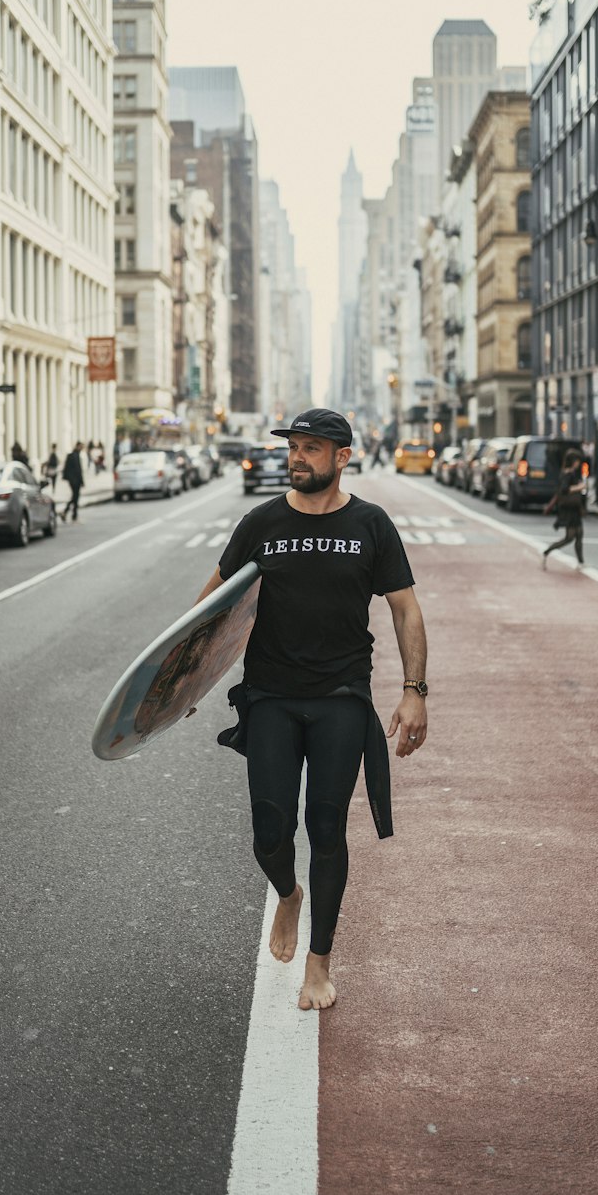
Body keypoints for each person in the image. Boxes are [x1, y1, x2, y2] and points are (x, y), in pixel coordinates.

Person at [195, 406, 428, 1012]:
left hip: (340, 699)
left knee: (326, 829)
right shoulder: (262, 522)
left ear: (342, 457)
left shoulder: (371, 524)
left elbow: (405, 608)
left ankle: (318, 964)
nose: (297, 457)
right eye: (293, 447)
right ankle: (288, 894)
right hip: (271, 696)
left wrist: (414, 691)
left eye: (311, 448)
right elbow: (213, 603)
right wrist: (181, 682)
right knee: (270, 832)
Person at [542, 447, 587, 569]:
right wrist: (579, 487)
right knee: (570, 537)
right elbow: (564, 490)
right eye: (577, 460)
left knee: (579, 535)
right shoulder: (567, 474)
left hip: (573, 508)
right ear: (573, 461)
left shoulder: (569, 473)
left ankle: (581, 562)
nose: (578, 463)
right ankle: (547, 551)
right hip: (569, 509)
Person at [61, 441, 84, 522]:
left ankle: (69, 513)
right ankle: (71, 514)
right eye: (81, 447)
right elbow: (78, 470)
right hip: (75, 481)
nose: (82, 448)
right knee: (75, 497)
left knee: (75, 497)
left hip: (73, 480)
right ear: (78, 446)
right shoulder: (74, 455)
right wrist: (81, 481)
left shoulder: (73, 455)